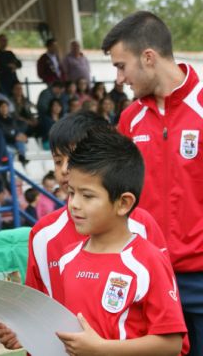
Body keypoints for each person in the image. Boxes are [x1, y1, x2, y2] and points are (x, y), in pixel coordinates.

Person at [0, 111, 167, 351]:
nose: (65, 169)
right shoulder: (43, 235)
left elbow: (167, 333)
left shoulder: (141, 226)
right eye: (57, 161)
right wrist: (20, 331)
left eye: (74, 159)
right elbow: (35, 310)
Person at [104, 11, 203, 355]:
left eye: (121, 66)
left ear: (148, 57)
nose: (118, 78)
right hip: (149, 279)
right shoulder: (130, 119)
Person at [55, 130, 187, 355]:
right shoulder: (67, 258)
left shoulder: (148, 261)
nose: (74, 204)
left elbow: (172, 345)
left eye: (87, 196)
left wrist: (101, 349)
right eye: (71, 192)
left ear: (124, 203)